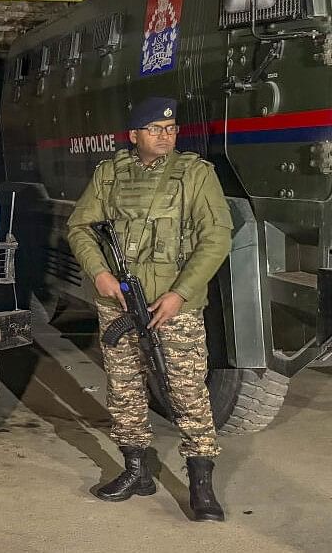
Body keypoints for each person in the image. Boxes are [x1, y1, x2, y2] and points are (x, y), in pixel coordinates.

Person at [66, 97, 232, 522]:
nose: (165, 135)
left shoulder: (195, 175)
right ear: (134, 135)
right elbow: (80, 227)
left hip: (174, 305)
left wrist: (180, 294)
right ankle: (135, 471)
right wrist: (101, 274)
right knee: (124, 389)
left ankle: (201, 484)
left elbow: (216, 240)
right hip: (119, 301)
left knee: (188, 392)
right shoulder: (110, 174)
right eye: (155, 129)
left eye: (171, 129)